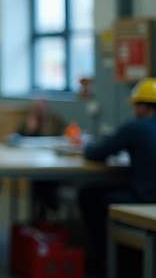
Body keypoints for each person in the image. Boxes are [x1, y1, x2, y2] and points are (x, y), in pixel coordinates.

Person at [79, 78, 156, 261]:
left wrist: (87, 145)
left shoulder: (136, 127)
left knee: (87, 195)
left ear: (143, 107)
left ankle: (107, 258)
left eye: (136, 106)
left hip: (144, 198)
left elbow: (96, 153)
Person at [17, 99, 66, 220]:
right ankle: (39, 211)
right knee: (37, 179)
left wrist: (44, 128)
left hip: (53, 163)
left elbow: (61, 140)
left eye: (42, 108)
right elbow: (16, 137)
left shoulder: (56, 121)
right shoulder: (28, 120)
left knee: (46, 180)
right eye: (37, 109)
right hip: (33, 161)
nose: (40, 112)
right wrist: (30, 129)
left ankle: (46, 205)